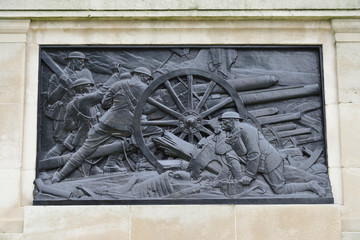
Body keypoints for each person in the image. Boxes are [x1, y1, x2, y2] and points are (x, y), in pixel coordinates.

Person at [52, 67, 153, 183]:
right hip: (128, 127)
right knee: (155, 133)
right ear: (143, 76)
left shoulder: (118, 84)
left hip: (107, 122)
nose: (148, 81)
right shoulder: (146, 88)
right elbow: (148, 109)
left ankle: (59, 176)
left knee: (84, 150)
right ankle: (136, 163)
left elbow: (105, 103)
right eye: (148, 78)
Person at [219, 111, 326, 196]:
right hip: (261, 163)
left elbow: (254, 153)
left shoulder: (245, 130)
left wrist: (249, 175)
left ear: (232, 121)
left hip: (270, 161)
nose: (221, 123)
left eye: (223, 121)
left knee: (280, 190)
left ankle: (311, 185)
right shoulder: (235, 131)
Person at [45, 51, 94, 158]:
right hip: (62, 115)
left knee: (81, 143)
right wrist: (63, 86)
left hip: (80, 115)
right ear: (74, 61)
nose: (83, 64)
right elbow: (51, 99)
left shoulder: (83, 74)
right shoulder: (57, 76)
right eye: (81, 61)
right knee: (62, 144)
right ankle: (44, 167)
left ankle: (87, 168)